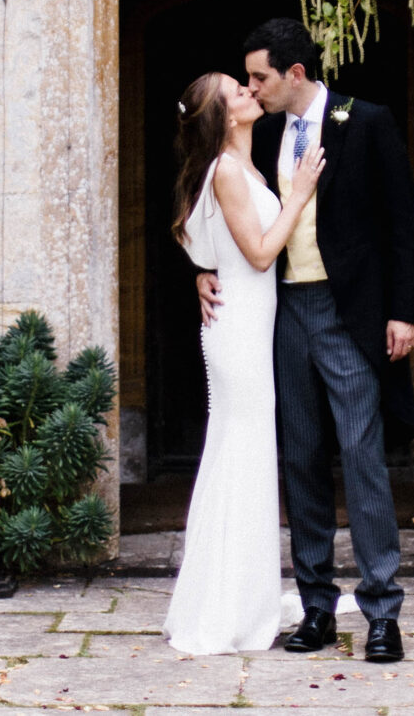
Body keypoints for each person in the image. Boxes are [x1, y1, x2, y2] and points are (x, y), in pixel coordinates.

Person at [196, 17, 414, 665]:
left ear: (295, 74)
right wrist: (203, 268)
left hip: (347, 313)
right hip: (283, 312)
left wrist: (403, 312)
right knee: (300, 457)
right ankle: (318, 607)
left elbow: (401, 224)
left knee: (361, 451)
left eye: (259, 76)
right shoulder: (258, 133)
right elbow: (218, 203)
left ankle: (382, 611)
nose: (250, 87)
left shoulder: (367, 120)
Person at [164, 69, 326, 656]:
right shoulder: (229, 171)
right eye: (238, 91)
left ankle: (240, 594)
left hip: (250, 328)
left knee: (245, 456)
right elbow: (258, 255)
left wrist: (204, 270)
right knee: (243, 456)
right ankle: (231, 607)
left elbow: (209, 241)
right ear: (224, 116)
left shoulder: (241, 169)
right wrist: (301, 195)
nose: (250, 92)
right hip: (237, 334)